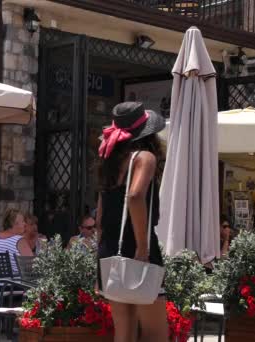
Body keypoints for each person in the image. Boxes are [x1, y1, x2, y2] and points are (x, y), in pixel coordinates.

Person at [96, 102, 168, 341]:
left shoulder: (110, 163)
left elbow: (100, 216)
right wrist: (143, 247)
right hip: (137, 247)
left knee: (123, 332)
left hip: (110, 248)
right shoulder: (144, 157)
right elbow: (135, 197)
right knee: (155, 333)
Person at [0, 209, 34, 274]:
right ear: (14, 224)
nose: (25, 224)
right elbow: (32, 266)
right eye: (23, 221)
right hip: (15, 282)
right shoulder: (19, 240)